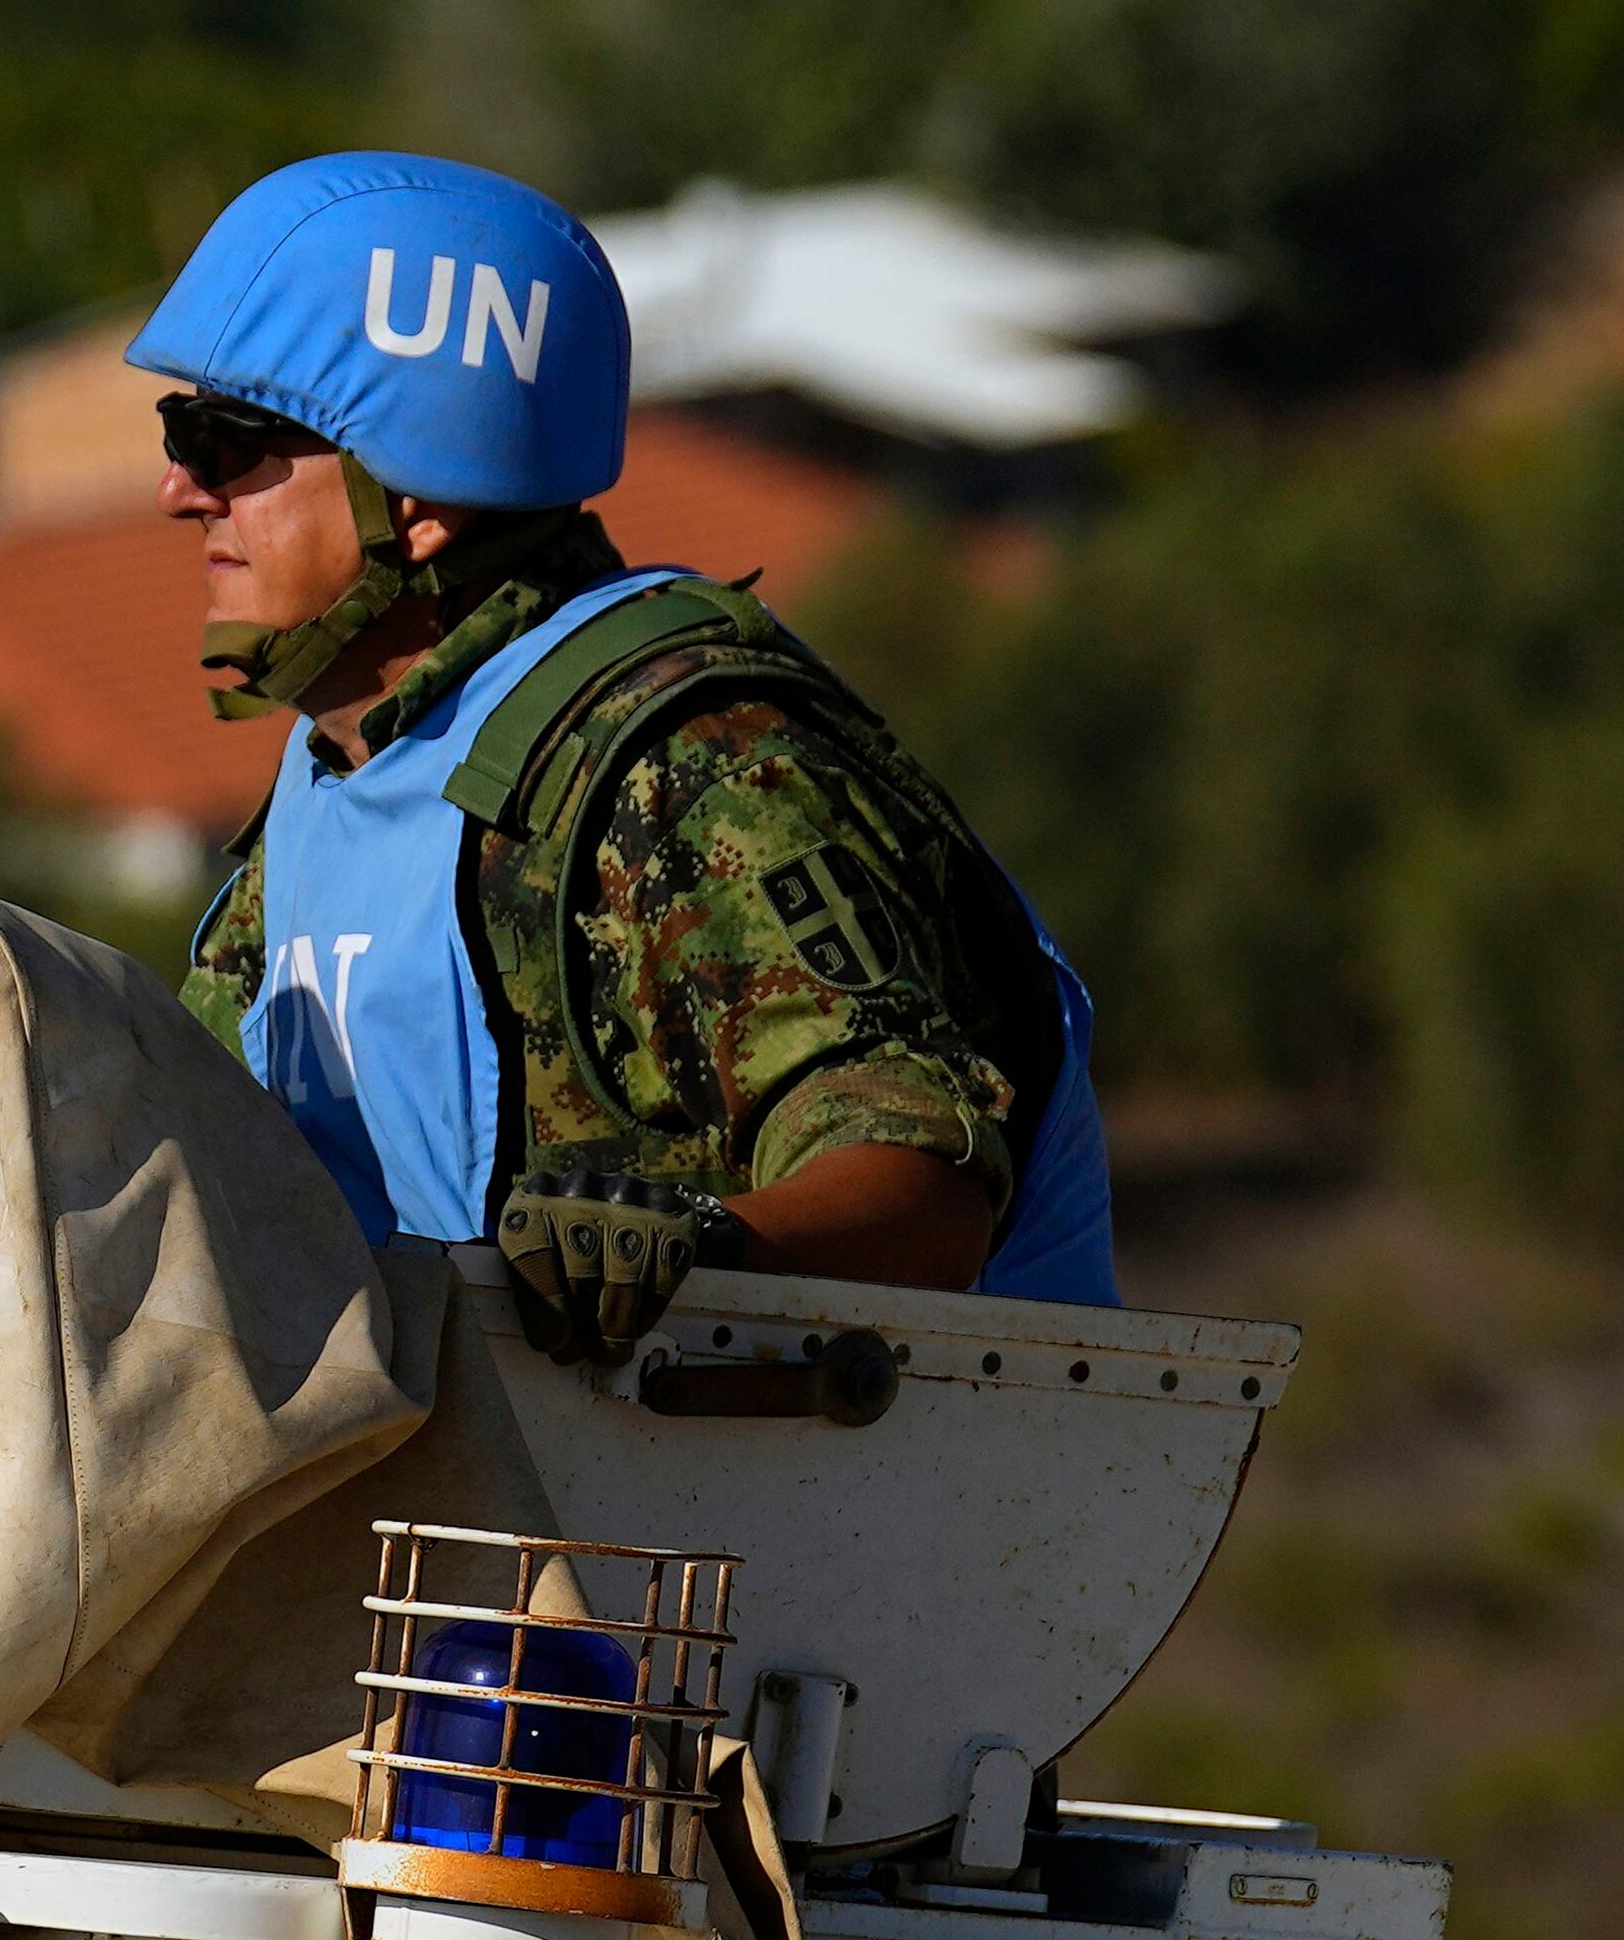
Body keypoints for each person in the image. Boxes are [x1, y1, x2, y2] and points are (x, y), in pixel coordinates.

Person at [125, 150, 1115, 1360]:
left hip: (822, 1516)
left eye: (222, 443)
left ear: (417, 500)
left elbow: (916, 1180)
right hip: (493, 1505)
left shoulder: (690, 766)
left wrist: (696, 1249)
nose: (179, 490)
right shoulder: (347, 777)